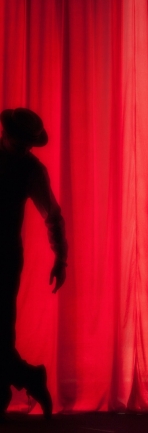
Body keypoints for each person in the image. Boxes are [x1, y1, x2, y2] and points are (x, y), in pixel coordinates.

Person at [0, 108, 67, 421]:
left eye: (27, 142)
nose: (23, 146)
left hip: (4, 255)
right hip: (6, 253)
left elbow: (52, 215)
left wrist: (61, 257)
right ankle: (26, 377)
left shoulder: (31, 169)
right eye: (20, 139)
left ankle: (19, 381)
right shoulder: (29, 167)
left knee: (0, 329)